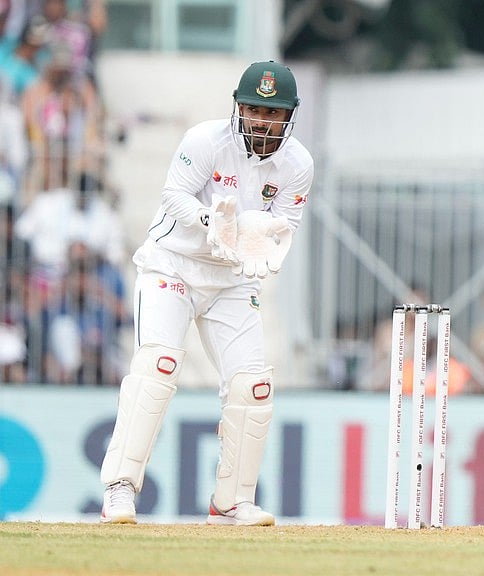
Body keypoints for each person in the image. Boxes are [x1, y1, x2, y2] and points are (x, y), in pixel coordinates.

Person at [98, 60, 314, 526]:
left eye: (273, 113)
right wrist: (215, 221)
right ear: (238, 107)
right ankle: (119, 488)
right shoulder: (205, 140)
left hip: (232, 278)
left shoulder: (297, 164)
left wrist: (258, 240)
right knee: (159, 365)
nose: (262, 121)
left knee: (253, 385)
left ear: (288, 117)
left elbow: (285, 225)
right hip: (171, 264)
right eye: (255, 109)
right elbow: (174, 195)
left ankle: (231, 501)